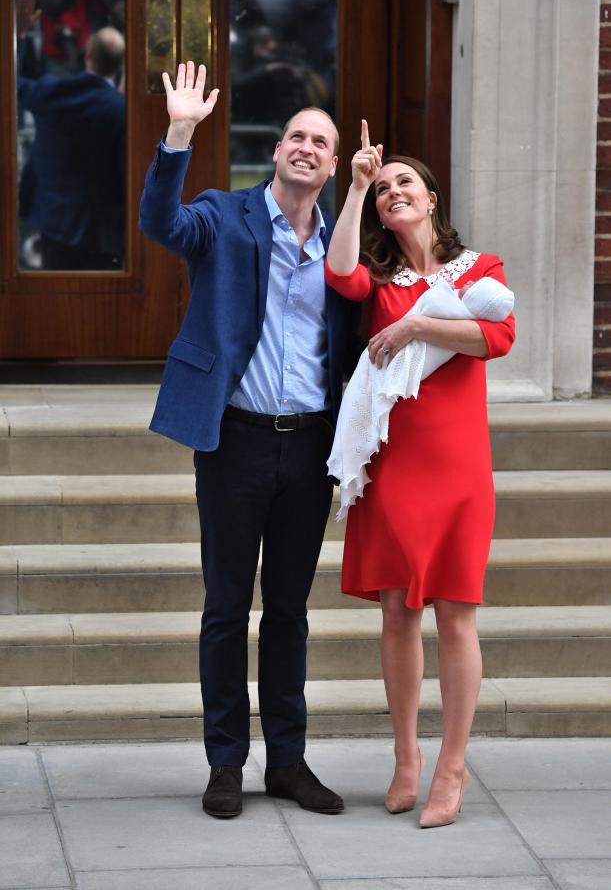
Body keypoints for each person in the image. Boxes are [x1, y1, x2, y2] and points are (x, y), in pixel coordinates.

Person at [139, 61, 358, 819]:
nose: (305, 147)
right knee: (227, 605)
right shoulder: (224, 218)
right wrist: (179, 133)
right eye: (295, 135)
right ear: (277, 151)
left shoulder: (343, 248)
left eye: (319, 141)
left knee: (290, 610)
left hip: (309, 450)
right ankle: (226, 760)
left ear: (333, 166)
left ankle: (288, 761)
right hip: (233, 440)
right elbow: (159, 224)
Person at [325, 121, 515, 828]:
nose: (391, 193)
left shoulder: (479, 270)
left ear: (432, 198)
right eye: (382, 189)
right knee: (397, 612)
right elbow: (337, 272)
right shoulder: (378, 281)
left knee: (455, 616)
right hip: (394, 465)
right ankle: (405, 757)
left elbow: (495, 336)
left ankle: (451, 766)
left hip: (458, 468)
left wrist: (414, 327)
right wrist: (351, 186)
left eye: (403, 182)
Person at [16, 0, 125, 270]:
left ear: (87, 54)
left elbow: (9, 83)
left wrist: (17, 35)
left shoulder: (52, 92)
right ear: (120, 65)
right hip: (106, 235)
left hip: (56, 226)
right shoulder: (122, 109)